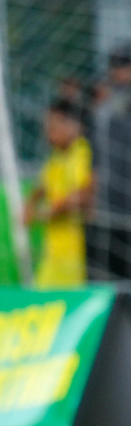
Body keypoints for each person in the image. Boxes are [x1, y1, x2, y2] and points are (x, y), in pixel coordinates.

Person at [27, 99, 95, 288]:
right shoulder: (56, 157)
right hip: (53, 251)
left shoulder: (81, 152)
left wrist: (51, 211)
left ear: (72, 125)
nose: (48, 132)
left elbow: (85, 194)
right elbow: (42, 184)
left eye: (53, 126)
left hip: (77, 251)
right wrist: (30, 203)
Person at [90, 45, 131, 281]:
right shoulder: (103, 110)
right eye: (117, 67)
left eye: (125, 66)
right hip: (110, 210)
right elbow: (96, 161)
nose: (121, 73)